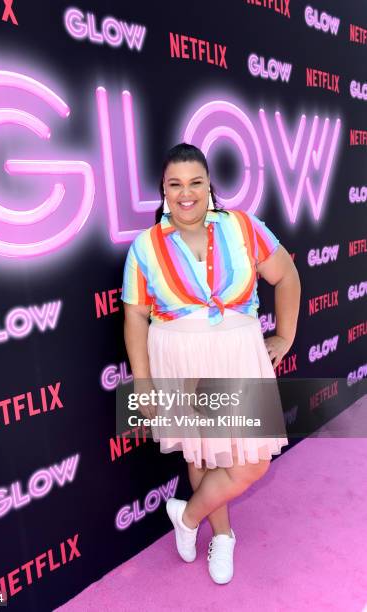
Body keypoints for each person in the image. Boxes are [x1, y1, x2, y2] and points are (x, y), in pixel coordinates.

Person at [121, 143, 301, 584]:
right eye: (175, 184)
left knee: (253, 462)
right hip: (179, 357)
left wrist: (285, 335)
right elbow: (134, 317)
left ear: (209, 186)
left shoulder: (243, 227)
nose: (187, 193)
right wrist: (142, 384)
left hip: (237, 353)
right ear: (162, 190)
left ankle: (187, 516)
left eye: (196, 183)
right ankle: (221, 535)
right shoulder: (145, 246)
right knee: (202, 452)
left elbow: (287, 276)